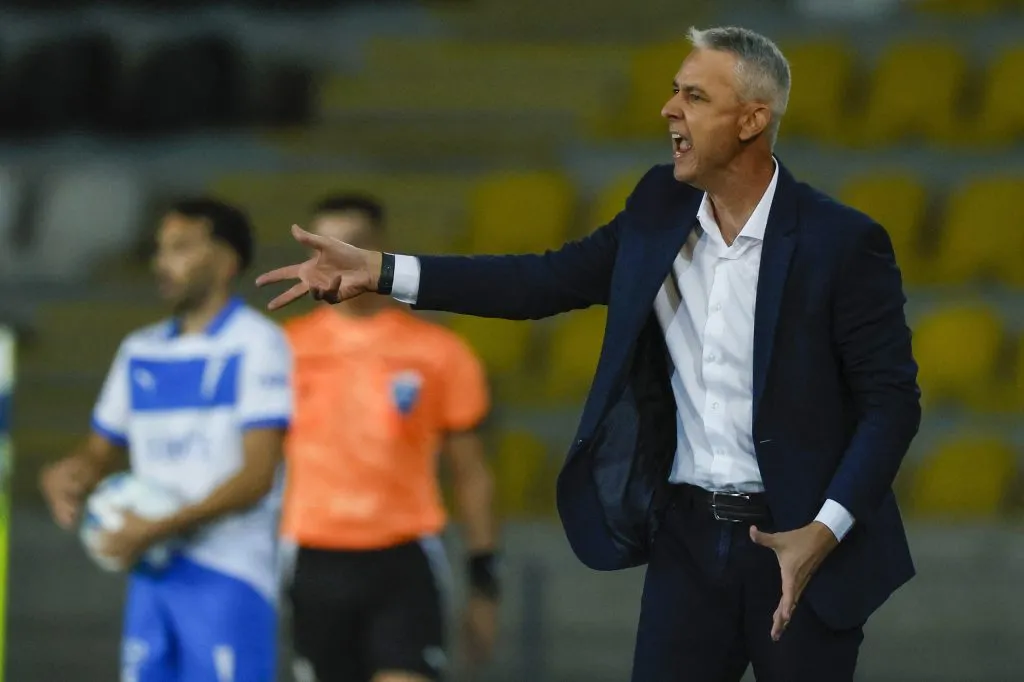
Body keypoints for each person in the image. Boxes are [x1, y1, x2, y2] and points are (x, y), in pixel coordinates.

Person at [254, 25, 921, 682]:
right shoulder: (659, 207)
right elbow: (539, 281)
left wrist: (825, 529)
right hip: (688, 538)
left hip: (799, 540)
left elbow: (891, 403)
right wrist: (380, 270)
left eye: (694, 96)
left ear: (752, 119)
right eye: (674, 91)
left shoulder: (841, 241)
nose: (669, 109)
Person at [40, 198, 292, 682]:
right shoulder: (140, 349)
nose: (162, 263)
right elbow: (97, 451)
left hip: (230, 572)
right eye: (160, 249)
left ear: (225, 261)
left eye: (180, 248)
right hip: (151, 573)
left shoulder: (258, 343)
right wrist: (67, 476)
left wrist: (162, 526)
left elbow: (258, 475)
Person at [279, 194, 499, 682]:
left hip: (403, 558)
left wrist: (484, 584)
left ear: (380, 247)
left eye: (350, 243)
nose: (335, 257)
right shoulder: (283, 352)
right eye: (322, 246)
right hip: (313, 556)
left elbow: (471, 475)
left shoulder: (439, 352)